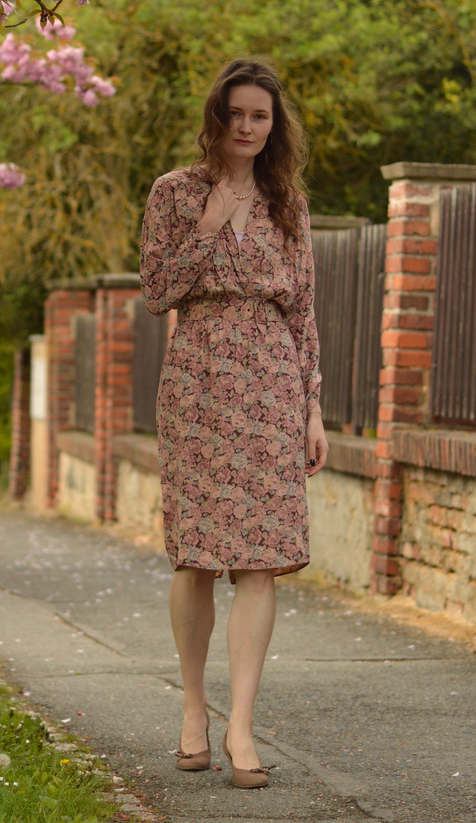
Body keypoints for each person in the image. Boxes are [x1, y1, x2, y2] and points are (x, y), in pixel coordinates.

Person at [139, 58, 328, 789]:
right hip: (199, 379)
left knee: (261, 555)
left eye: (261, 116)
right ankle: (193, 710)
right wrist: (209, 227)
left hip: (274, 383)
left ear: (273, 125)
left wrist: (313, 404)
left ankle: (241, 727)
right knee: (195, 554)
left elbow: (304, 308)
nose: (249, 126)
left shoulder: (290, 203)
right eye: (237, 114)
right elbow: (157, 292)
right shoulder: (174, 193)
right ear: (217, 118)